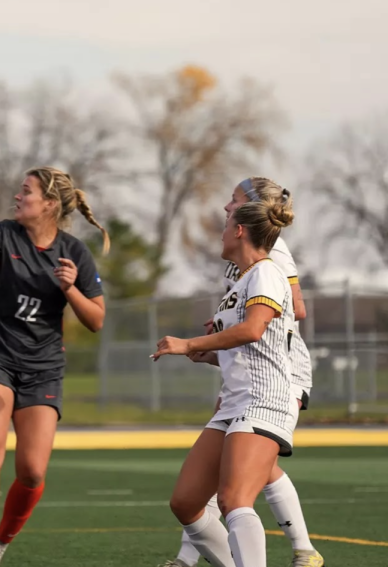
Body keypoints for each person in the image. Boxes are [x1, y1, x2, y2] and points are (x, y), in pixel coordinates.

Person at [163, 177, 322, 567]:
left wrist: (190, 344)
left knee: (234, 498)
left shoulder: (268, 271)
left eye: (228, 212)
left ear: (239, 229)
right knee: (185, 502)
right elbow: (250, 343)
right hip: (237, 400)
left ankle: (301, 550)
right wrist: (211, 354)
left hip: (265, 400)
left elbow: (253, 330)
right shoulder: (243, 279)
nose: (221, 222)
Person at [0, 167, 108, 567]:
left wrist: (70, 288)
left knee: (32, 472)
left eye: (26, 191)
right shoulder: (4, 233)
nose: (17, 197)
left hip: (44, 368)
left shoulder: (74, 251)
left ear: (49, 204)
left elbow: (96, 320)